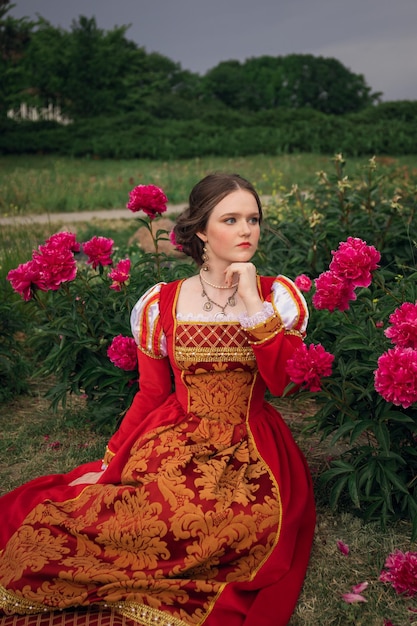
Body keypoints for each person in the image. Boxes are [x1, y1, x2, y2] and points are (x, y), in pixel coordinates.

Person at [0, 173, 315, 626]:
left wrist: (250, 301)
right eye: (231, 219)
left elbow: (283, 383)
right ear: (202, 231)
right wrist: (110, 465)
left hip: (250, 450)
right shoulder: (163, 303)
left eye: (254, 219)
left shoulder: (276, 297)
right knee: (128, 518)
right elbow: (151, 394)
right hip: (176, 438)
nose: (247, 230)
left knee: (227, 525)